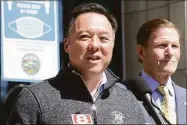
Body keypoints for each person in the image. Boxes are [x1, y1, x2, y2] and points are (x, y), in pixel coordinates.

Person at [7, 3, 151, 124]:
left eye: (103, 38)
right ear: (67, 45)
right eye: (84, 37)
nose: (95, 45)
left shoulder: (129, 102)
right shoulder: (35, 99)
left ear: (113, 45)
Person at [135, 18, 186, 124]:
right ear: (141, 52)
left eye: (175, 46)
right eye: (162, 45)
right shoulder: (122, 94)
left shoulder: (185, 96)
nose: (170, 52)